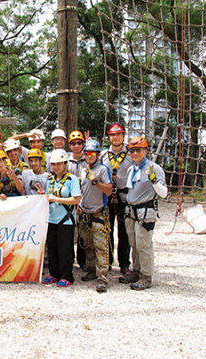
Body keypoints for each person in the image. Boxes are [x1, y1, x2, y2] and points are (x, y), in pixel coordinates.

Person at [120, 136, 167, 290]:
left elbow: (164, 193)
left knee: (144, 245)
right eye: (132, 151)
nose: (135, 153)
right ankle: (137, 271)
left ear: (146, 150)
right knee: (134, 244)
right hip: (132, 211)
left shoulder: (154, 169)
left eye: (138, 150)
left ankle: (146, 276)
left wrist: (154, 182)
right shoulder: (131, 169)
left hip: (145, 212)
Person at [78, 140, 113, 293]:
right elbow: (82, 188)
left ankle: (102, 277)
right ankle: (92, 269)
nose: (89, 156)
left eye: (92, 153)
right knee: (88, 245)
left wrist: (96, 181)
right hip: (85, 212)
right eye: (86, 153)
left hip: (98, 211)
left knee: (101, 246)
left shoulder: (103, 170)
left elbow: (109, 190)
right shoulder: (83, 169)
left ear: (98, 154)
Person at [42, 149, 81, 287]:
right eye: (53, 164)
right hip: (52, 218)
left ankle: (67, 276)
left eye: (59, 164)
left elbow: (76, 199)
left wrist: (57, 198)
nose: (56, 167)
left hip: (66, 219)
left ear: (65, 164)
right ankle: (54, 274)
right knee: (52, 248)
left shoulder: (72, 179)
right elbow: (49, 198)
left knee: (65, 249)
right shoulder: (51, 180)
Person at [100, 122, 133, 275]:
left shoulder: (131, 154)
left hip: (124, 198)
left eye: (118, 134)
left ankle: (125, 264)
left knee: (124, 233)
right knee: (107, 232)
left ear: (123, 135)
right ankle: (108, 261)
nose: (115, 137)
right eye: (112, 135)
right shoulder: (104, 155)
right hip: (108, 198)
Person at [67, 130, 87, 271]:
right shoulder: (66, 161)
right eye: (73, 143)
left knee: (83, 233)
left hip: (86, 199)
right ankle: (70, 259)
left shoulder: (89, 159)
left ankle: (83, 260)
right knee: (70, 232)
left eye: (79, 143)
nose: (76, 146)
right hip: (70, 200)